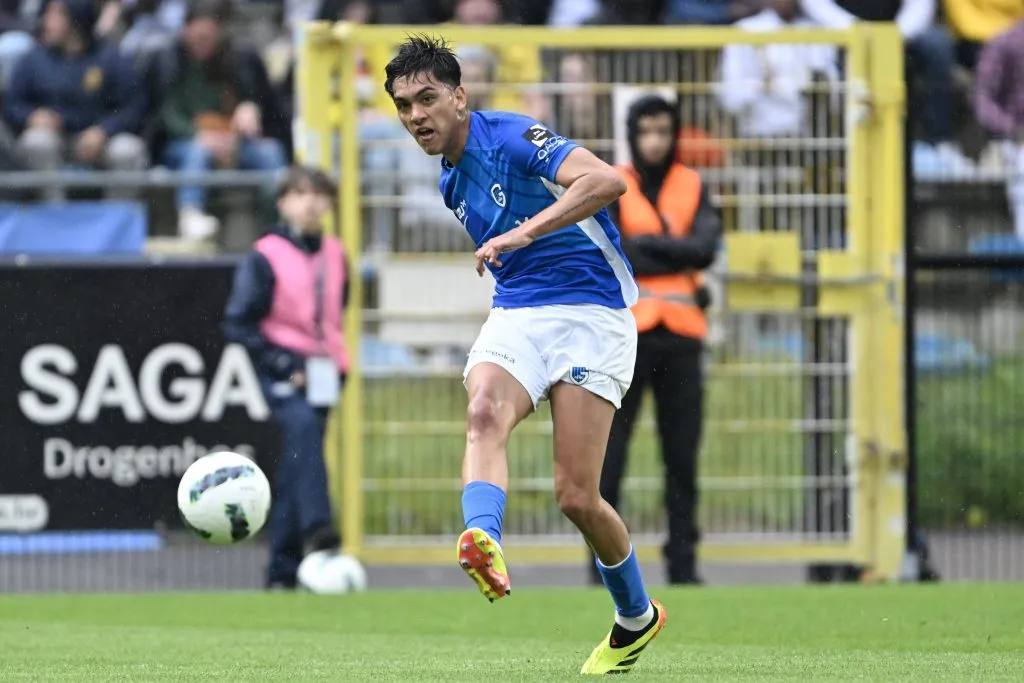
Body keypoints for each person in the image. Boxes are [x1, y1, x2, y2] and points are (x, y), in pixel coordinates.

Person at [383, 35, 666, 675]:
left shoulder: (509, 136)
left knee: (576, 496)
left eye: (427, 99)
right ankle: (484, 538)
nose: (416, 116)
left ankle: (636, 617)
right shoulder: (451, 182)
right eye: (404, 106)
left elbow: (607, 181)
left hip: (593, 314)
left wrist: (524, 230)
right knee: (483, 411)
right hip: (518, 314)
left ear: (460, 97)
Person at [587, 94, 721, 588]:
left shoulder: (693, 183)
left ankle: (683, 566)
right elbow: (614, 249)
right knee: (611, 457)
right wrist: (677, 253)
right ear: (632, 133)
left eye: (663, 131)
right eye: (646, 132)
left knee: (682, 459)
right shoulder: (612, 181)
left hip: (683, 338)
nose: (655, 141)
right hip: (631, 338)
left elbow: (706, 249)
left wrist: (652, 250)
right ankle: (602, 568)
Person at [223, 165, 348, 590]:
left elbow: (335, 313)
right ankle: (319, 528)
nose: (310, 202)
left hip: (326, 371)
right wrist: (282, 364)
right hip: (284, 369)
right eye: (299, 194)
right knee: (303, 429)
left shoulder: (335, 252)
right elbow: (238, 322)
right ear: (282, 203)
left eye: (318, 194)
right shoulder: (265, 254)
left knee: (299, 464)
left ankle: (281, 573)